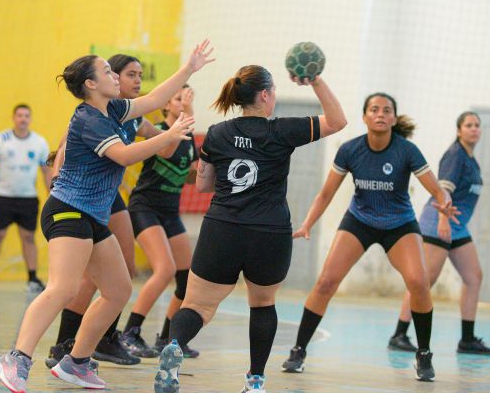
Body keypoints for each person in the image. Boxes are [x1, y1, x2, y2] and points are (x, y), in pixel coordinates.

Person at [0, 40, 214, 393]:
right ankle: (16, 358)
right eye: (108, 71)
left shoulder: (114, 110)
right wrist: (168, 136)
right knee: (63, 287)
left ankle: (76, 362)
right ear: (91, 84)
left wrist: (189, 68)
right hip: (68, 210)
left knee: (118, 288)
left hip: (92, 215)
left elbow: (155, 100)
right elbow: (124, 156)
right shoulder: (89, 119)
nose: (115, 75)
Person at [154, 65, 347, 393]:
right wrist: (314, 79)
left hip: (222, 228)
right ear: (265, 95)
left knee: (197, 305)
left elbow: (203, 186)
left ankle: (174, 346)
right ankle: (255, 381)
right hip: (268, 232)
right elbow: (338, 121)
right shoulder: (282, 130)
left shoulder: (216, 133)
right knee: (262, 303)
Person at [280, 93, 459, 382]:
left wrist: (442, 210)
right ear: (364, 117)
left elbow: (438, 191)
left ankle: (424, 354)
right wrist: (307, 223)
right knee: (326, 281)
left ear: (394, 119)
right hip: (360, 220)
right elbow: (326, 193)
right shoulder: (350, 150)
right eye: (374, 109)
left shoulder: (407, 151)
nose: (380, 114)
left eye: (386, 110)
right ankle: (298, 350)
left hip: (399, 224)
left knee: (418, 282)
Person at [44, 54, 166, 368]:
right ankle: (69, 342)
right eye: (129, 74)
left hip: (108, 195)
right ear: (104, 80)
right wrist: (58, 180)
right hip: (84, 196)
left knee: (119, 271)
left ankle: (99, 340)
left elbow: (166, 147)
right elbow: (64, 150)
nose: (137, 80)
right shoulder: (93, 115)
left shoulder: (133, 116)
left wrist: (178, 127)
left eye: (141, 74)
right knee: (88, 278)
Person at [388, 111, 490, 355]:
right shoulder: (455, 156)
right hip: (438, 223)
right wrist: (443, 221)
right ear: (459, 131)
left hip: (457, 227)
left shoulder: (471, 158)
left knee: (474, 277)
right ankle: (399, 334)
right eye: (469, 125)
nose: (474, 129)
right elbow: (443, 191)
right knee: (423, 282)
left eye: (477, 125)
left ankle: (467, 339)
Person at [120, 84, 201, 359]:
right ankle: (130, 332)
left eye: (187, 100)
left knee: (186, 278)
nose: (184, 103)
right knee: (164, 269)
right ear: (166, 105)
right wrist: (186, 117)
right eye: (179, 99)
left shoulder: (188, 137)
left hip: (170, 211)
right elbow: (167, 152)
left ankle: (168, 338)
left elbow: (193, 174)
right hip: (145, 207)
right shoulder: (158, 130)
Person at [0, 104, 52, 292]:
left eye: (26, 116)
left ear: (30, 119)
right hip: (3, 197)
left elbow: (46, 171)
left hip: (28, 198)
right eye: (19, 115)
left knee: (28, 237)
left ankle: (33, 278)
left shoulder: (39, 142)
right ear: (13, 118)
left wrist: (52, 196)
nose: (23, 119)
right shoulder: (0, 140)